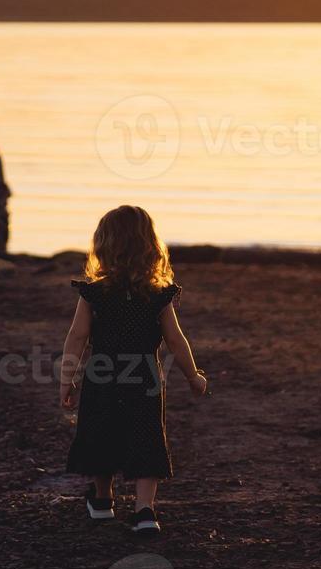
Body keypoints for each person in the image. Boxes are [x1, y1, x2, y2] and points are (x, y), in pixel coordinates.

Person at [59, 205, 209, 536]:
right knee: (146, 437)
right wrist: (193, 375)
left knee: (100, 432)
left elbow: (78, 337)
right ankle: (145, 511)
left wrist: (66, 379)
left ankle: (102, 500)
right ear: (150, 247)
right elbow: (175, 339)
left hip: (102, 374)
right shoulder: (157, 295)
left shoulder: (94, 292)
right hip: (143, 376)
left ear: (103, 245)